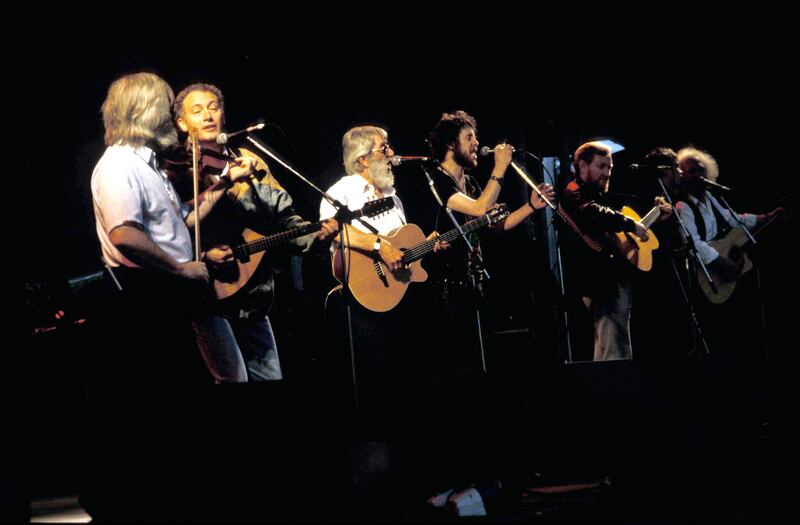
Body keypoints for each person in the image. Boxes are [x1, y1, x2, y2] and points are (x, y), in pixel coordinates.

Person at [169, 82, 336, 383]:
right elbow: (169, 227)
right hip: (204, 295)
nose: (208, 115)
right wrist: (205, 254)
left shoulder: (248, 159)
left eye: (213, 107)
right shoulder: (176, 168)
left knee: (270, 378)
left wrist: (314, 236)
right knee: (233, 380)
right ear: (182, 123)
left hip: (252, 293)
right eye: (197, 111)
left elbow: (283, 216)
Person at [416, 110, 554, 369]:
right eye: (469, 138)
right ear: (450, 144)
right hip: (443, 287)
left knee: (482, 358)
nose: (477, 144)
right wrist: (500, 167)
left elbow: (499, 224)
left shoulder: (469, 182)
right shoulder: (436, 180)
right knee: (457, 361)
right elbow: (480, 208)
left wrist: (531, 207)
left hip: (472, 282)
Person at [560, 141, 672, 361]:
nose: (607, 173)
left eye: (609, 168)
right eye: (601, 166)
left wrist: (653, 217)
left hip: (609, 280)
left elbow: (620, 238)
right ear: (582, 166)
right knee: (614, 350)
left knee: (607, 349)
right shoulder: (574, 192)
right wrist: (631, 224)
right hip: (599, 282)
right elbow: (594, 213)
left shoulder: (596, 196)